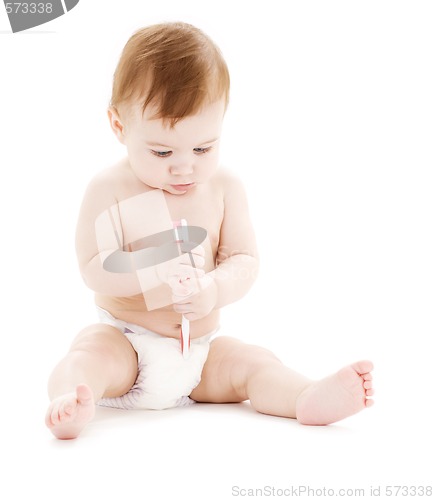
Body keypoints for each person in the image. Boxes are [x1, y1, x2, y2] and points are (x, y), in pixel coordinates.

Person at [45, 22, 374, 440]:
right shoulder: (109, 188)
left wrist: (213, 290)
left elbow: (244, 259)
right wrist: (153, 268)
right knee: (89, 352)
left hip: (199, 355)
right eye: (162, 151)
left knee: (251, 362)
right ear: (118, 126)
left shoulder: (223, 188)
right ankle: (72, 401)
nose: (185, 167)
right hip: (128, 343)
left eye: (203, 148)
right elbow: (94, 268)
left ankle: (304, 397)